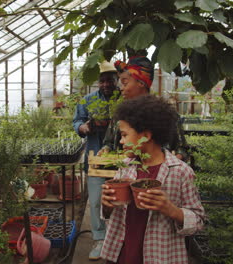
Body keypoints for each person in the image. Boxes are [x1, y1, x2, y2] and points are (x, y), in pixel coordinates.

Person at [100, 95, 205, 264]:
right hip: (122, 253)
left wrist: (171, 209)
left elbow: (198, 221)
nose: (121, 141)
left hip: (160, 255)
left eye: (125, 135)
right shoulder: (126, 167)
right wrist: (106, 205)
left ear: (146, 135)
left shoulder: (180, 172)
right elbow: (110, 214)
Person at [99, 56, 189, 161]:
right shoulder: (121, 114)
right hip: (123, 173)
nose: (121, 88)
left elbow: (182, 149)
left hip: (158, 175)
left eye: (125, 83)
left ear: (141, 83)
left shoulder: (165, 114)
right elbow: (109, 142)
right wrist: (105, 149)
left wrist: (175, 158)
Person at [73, 60, 119, 260]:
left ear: (116, 80)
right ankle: (100, 239)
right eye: (102, 81)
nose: (106, 84)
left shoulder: (124, 99)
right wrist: (84, 128)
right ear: (97, 82)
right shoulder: (88, 100)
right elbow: (77, 122)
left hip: (121, 158)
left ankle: (119, 238)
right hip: (95, 157)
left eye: (110, 80)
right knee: (96, 201)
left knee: (121, 200)